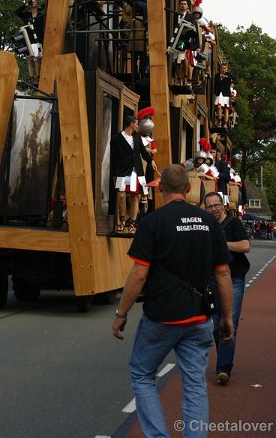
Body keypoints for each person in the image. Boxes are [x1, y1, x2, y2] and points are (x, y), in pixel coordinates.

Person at [112, 165, 233, 437]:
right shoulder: (209, 223)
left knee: (142, 374)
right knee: (195, 385)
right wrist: (226, 317)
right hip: (200, 317)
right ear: (189, 189)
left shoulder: (153, 222)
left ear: (161, 188)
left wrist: (122, 313)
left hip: (162, 317)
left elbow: (139, 274)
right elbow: (223, 272)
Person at [203, 191, 251, 386]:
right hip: (212, 280)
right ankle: (224, 359)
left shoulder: (233, 224)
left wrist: (223, 244)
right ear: (205, 209)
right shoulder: (205, 227)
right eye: (209, 206)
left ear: (223, 205)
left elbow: (246, 246)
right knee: (215, 323)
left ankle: (224, 367)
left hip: (234, 279)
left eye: (216, 205)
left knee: (230, 320)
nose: (214, 209)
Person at [110, 115, 156, 234]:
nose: (137, 126)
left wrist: (151, 161)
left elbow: (143, 152)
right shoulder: (116, 139)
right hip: (122, 172)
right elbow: (113, 158)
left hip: (136, 171)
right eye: (136, 124)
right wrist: (114, 175)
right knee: (121, 195)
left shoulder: (137, 138)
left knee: (135, 196)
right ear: (131, 124)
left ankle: (132, 223)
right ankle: (122, 220)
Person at [15, 0, 45, 84]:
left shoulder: (40, 15)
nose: (32, 2)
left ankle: (38, 77)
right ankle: (31, 78)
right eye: (32, 2)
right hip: (28, 39)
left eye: (34, 1)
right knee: (30, 59)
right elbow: (17, 12)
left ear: (37, 4)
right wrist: (25, 4)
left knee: (36, 59)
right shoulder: (26, 15)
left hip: (37, 39)